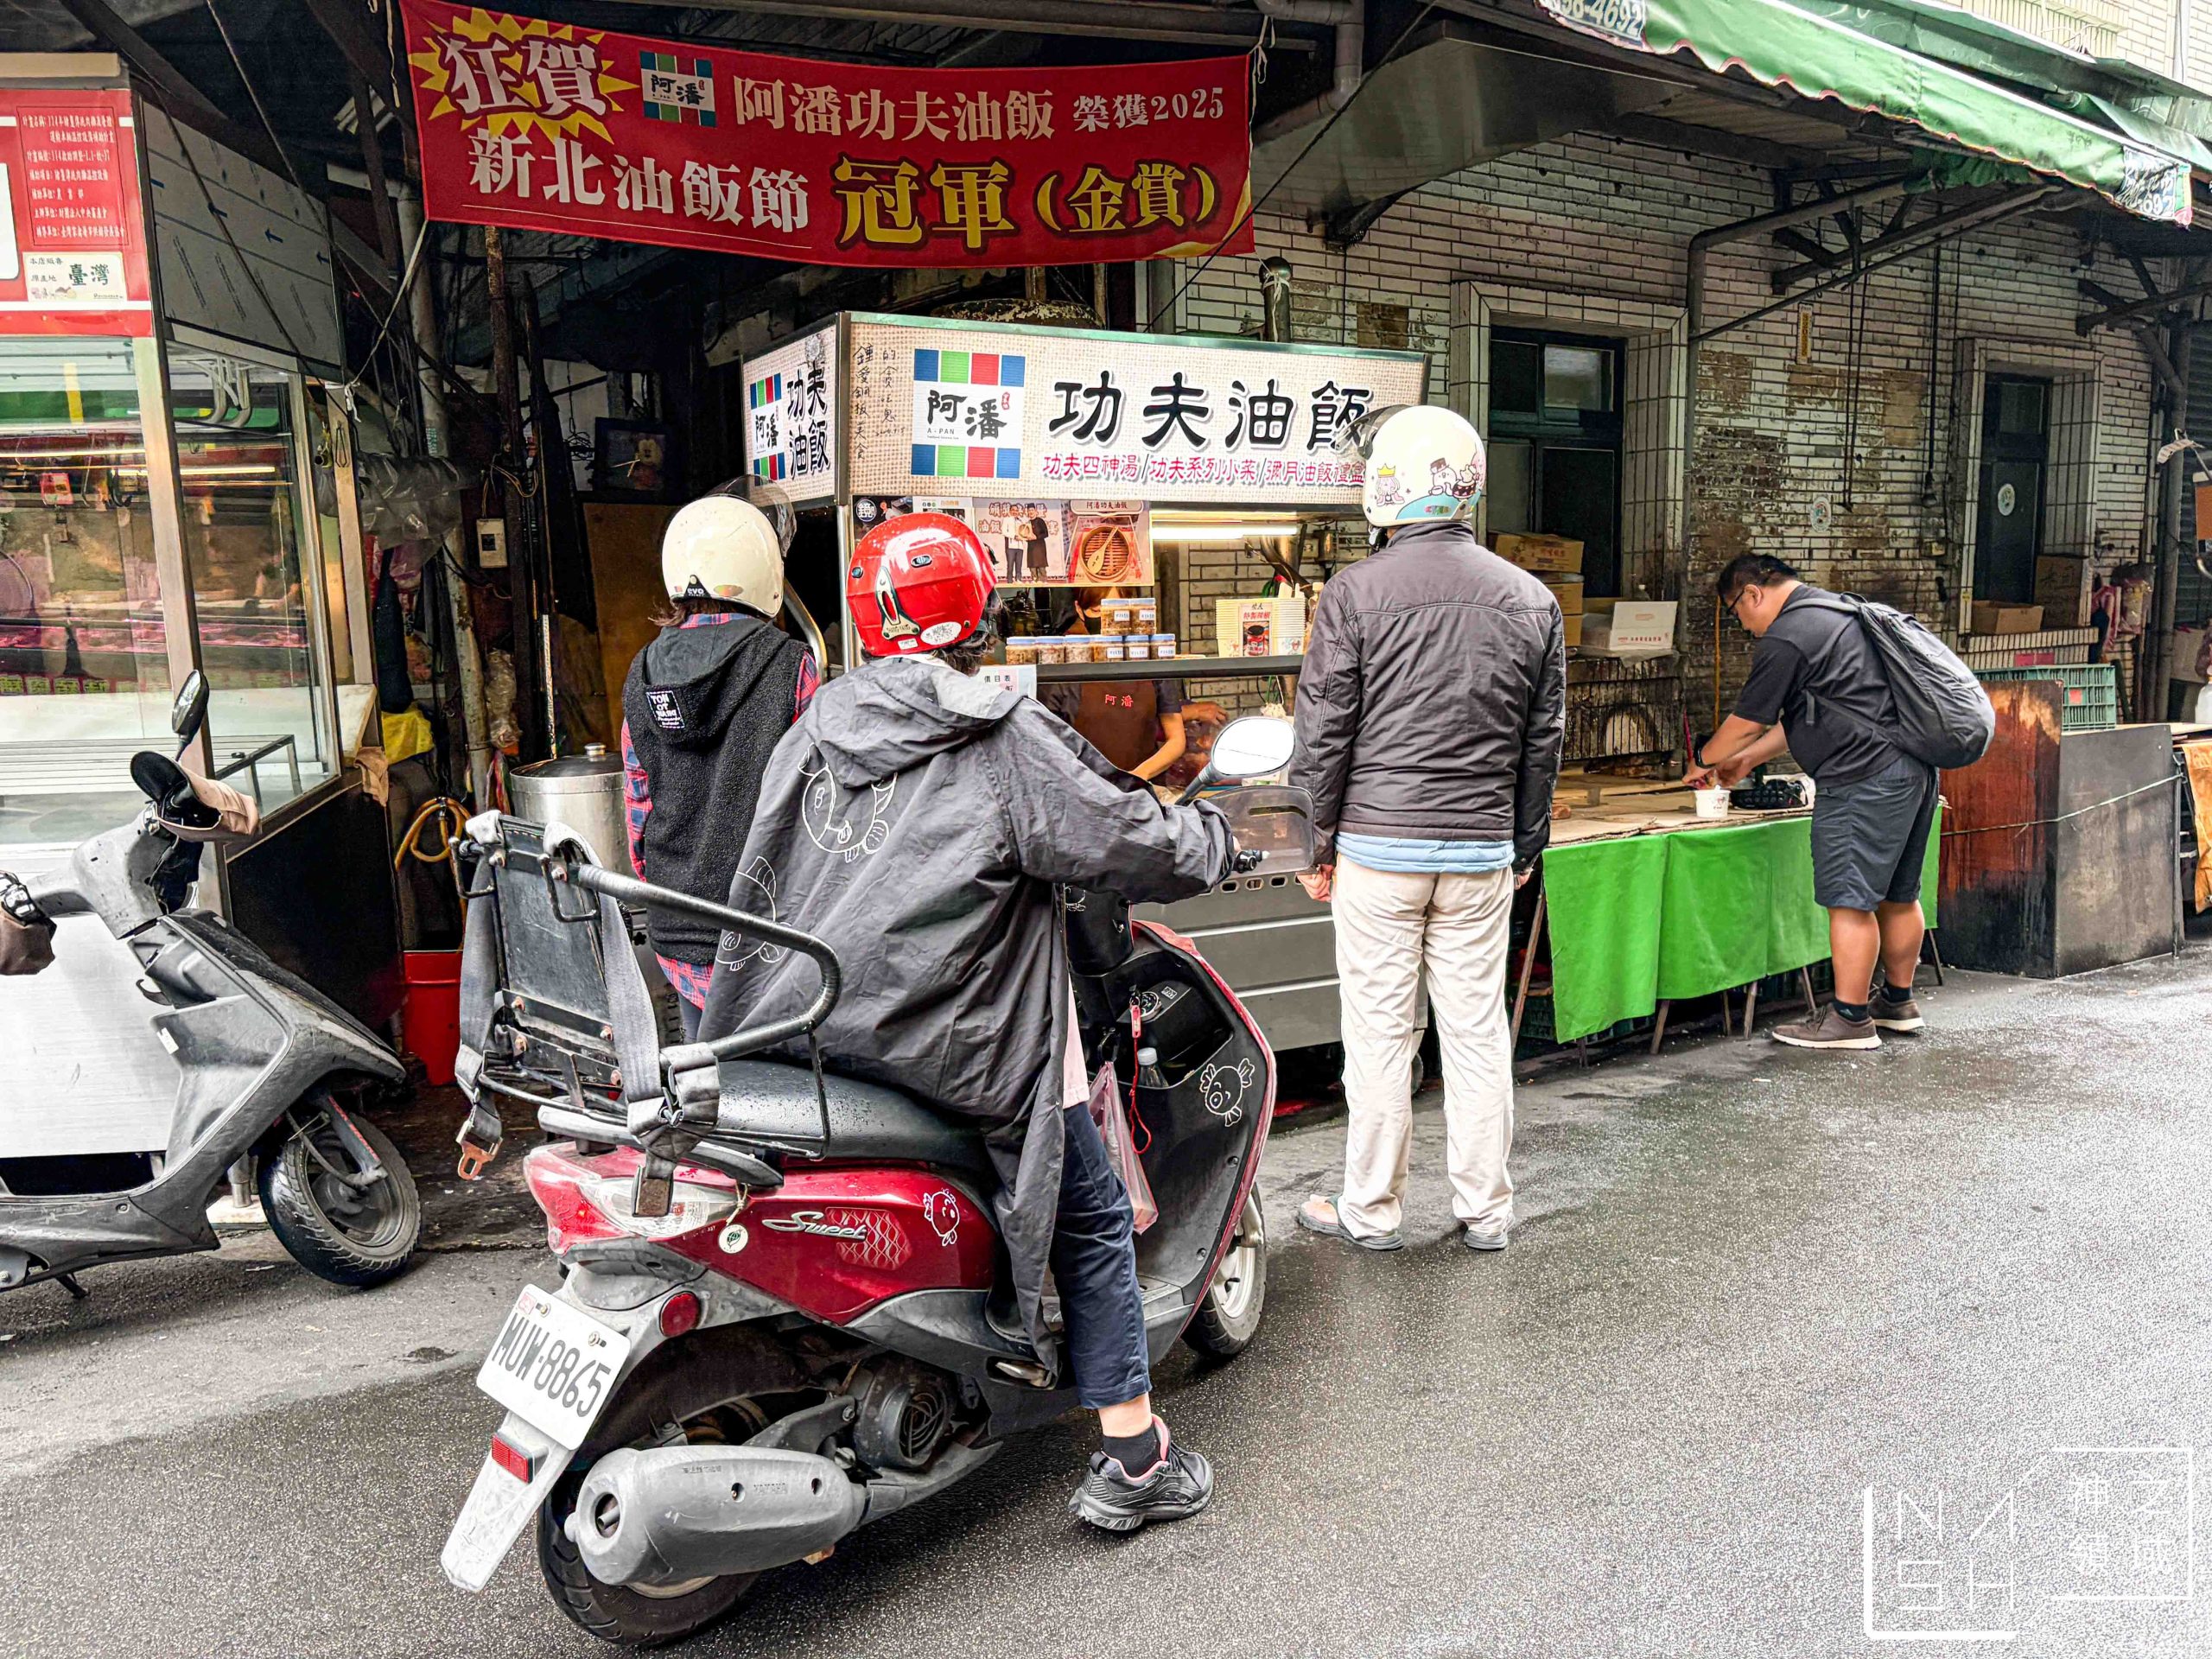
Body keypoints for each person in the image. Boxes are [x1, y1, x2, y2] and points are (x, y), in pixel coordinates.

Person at [698, 512, 1232, 1532]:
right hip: (960, 1040)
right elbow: (1126, 834)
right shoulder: (995, 729)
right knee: (1090, 1207)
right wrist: (1210, 836)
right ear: (978, 610)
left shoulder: (820, 721)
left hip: (809, 1023)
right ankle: (1131, 1457)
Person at [1289, 405, 1565, 1255]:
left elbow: (1323, 731)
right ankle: (1486, 1212)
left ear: (1388, 487)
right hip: (1481, 852)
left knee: (1379, 1037)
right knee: (1477, 1033)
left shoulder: (1354, 594)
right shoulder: (1532, 598)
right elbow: (1541, 741)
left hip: (1377, 852)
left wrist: (1315, 843)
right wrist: (1524, 843)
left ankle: (1370, 1211)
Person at [1688, 553, 1935, 1050]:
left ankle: (1849, 1019)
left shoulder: (1788, 635)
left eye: (1737, 612)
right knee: (1899, 894)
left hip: (1861, 779)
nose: (1745, 625)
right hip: (1914, 770)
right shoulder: (1842, 613)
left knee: (1850, 900)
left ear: (1753, 593)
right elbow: (1809, 718)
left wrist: (1703, 758)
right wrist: (1745, 761)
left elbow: (1749, 719)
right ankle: (1898, 1002)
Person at [620, 493, 818, 1039]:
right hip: (766, 927)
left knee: (708, 1084)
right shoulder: (790, 665)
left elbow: (639, 809)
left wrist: (669, 888)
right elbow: (813, 805)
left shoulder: (641, 674)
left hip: (677, 927)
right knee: (780, 1099)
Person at [1044, 586, 1227, 782]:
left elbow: (1176, 740)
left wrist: (1138, 776)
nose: (1108, 622)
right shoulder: (1063, 671)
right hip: (1085, 791)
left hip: (1143, 790)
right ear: (1079, 610)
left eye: (1115, 611)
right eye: (1097, 611)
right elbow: (1049, 747)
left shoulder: (1150, 662)